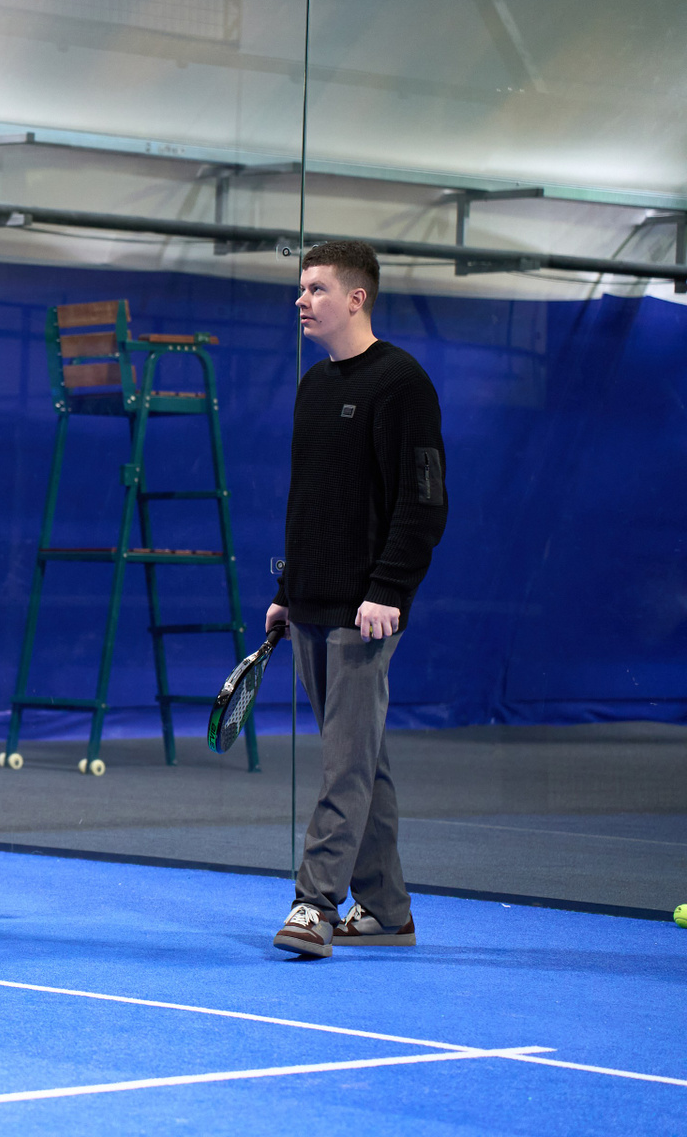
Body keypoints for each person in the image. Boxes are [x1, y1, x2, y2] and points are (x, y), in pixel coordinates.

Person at [268, 242, 448, 958]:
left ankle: (314, 904)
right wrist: (287, 591)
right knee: (361, 762)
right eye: (301, 288)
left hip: (365, 614)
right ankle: (387, 911)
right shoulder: (314, 386)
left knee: (343, 764)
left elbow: (423, 500)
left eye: (316, 288)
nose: (301, 300)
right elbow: (308, 502)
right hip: (310, 605)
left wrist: (388, 591)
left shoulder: (402, 383)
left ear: (356, 298)